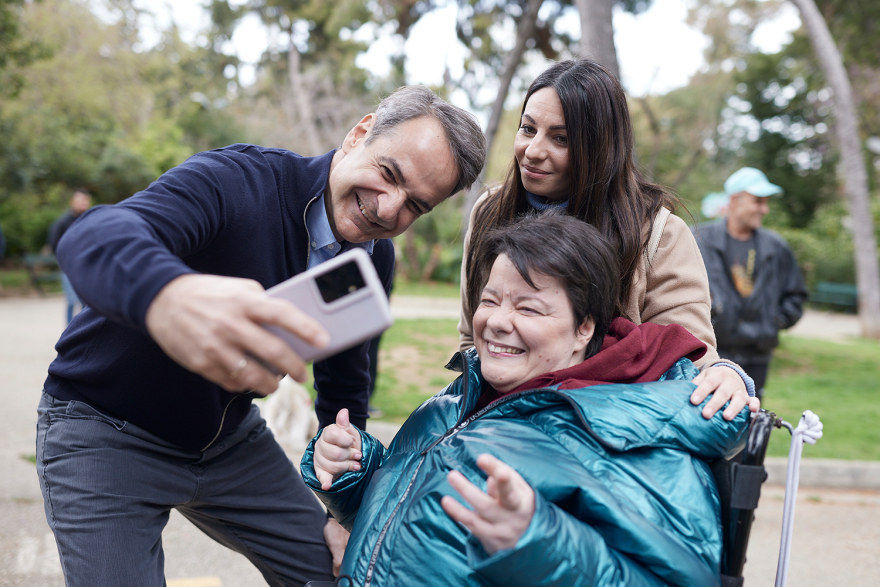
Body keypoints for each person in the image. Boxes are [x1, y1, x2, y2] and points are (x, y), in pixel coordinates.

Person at [35, 85, 486, 587]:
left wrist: (344, 503)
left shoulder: (372, 260)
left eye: (415, 206)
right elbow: (93, 236)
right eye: (388, 173)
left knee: (344, 571)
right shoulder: (238, 181)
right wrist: (168, 296)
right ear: (360, 133)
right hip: (103, 429)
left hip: (227, 443)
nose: (387, 209)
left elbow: (344, 380)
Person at [304, 212, 750, 586]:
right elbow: (413, 522)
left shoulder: (635, 439)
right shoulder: (454, 403)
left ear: (584, 328)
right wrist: (358, 472)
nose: (497, 322)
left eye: (529, 308)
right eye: (489, 300)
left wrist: (536, 541)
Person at [458, 58, 757, 422]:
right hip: (495, 423)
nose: (533, 150)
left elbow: (691, 362)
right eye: (527, 129)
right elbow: (471, 342)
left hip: (604, 434)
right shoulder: (490, 210)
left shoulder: (658, 235)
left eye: (561, 138)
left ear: (600, 147)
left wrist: (728, 374)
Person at [692, 167, 808, 398]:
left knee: (750, 422)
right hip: (711, 352)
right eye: (758, 201)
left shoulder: (776, 247)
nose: (764, 209)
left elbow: (795, 293)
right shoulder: (699, 239)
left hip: (757, 355)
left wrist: (774, 321)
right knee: (706, 419)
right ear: (735, 200)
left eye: (766, 202)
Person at [47, 189, 91, 323]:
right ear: (72, 202)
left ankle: (83, 332)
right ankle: (68, 334)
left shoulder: (91, 219)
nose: (82, 204)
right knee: (72, 301)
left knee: (87, 302)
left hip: (87, 267)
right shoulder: (62, 222)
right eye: (79, 200)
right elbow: (54, 243)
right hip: (68, 267)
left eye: (85, 200)